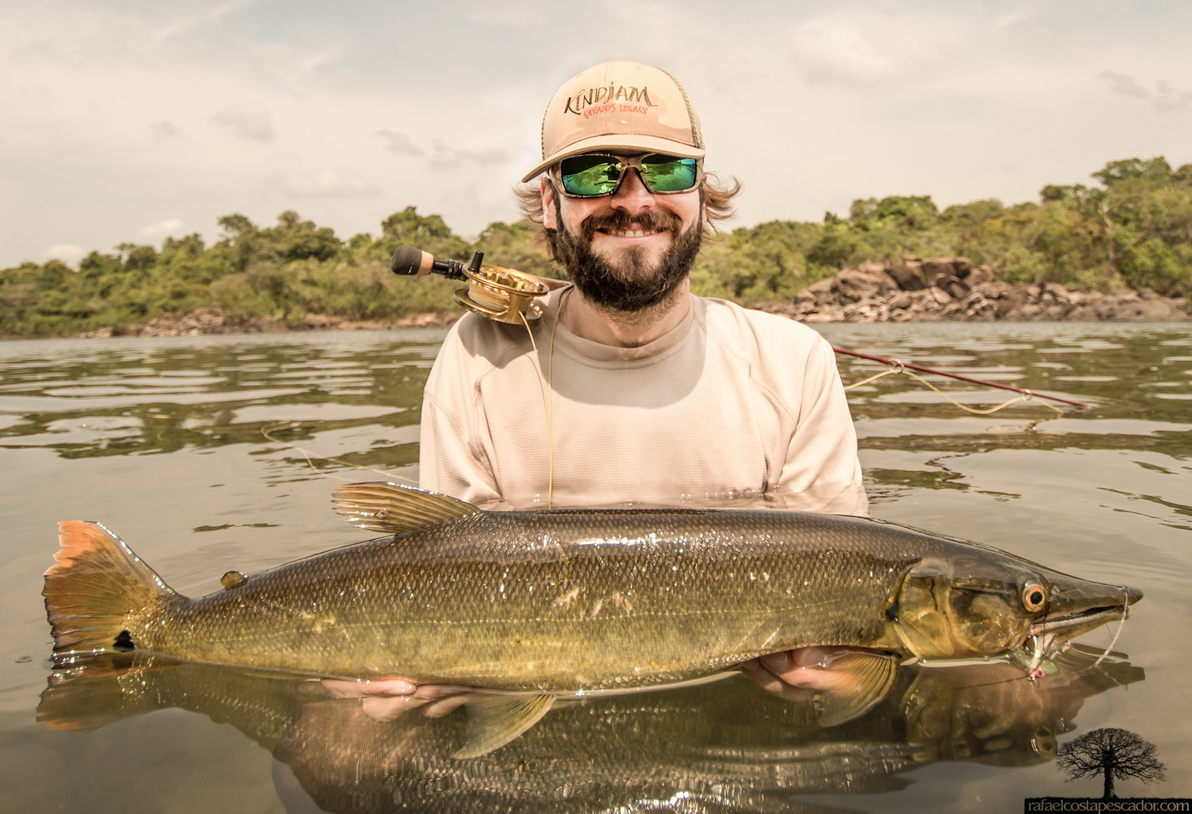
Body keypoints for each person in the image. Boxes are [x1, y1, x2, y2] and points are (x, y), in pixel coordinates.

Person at [328, 60, 869, 709]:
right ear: (552, 205)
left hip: (734, 705)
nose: (634, 200)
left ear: (700, 193)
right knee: (341, 748)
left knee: (1005, 702)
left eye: (666, 170)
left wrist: (849, 677)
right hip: (515, 689)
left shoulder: (795, 360)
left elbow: (844, 586)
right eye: (594, 174)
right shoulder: (475, 356)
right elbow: (442, 563)